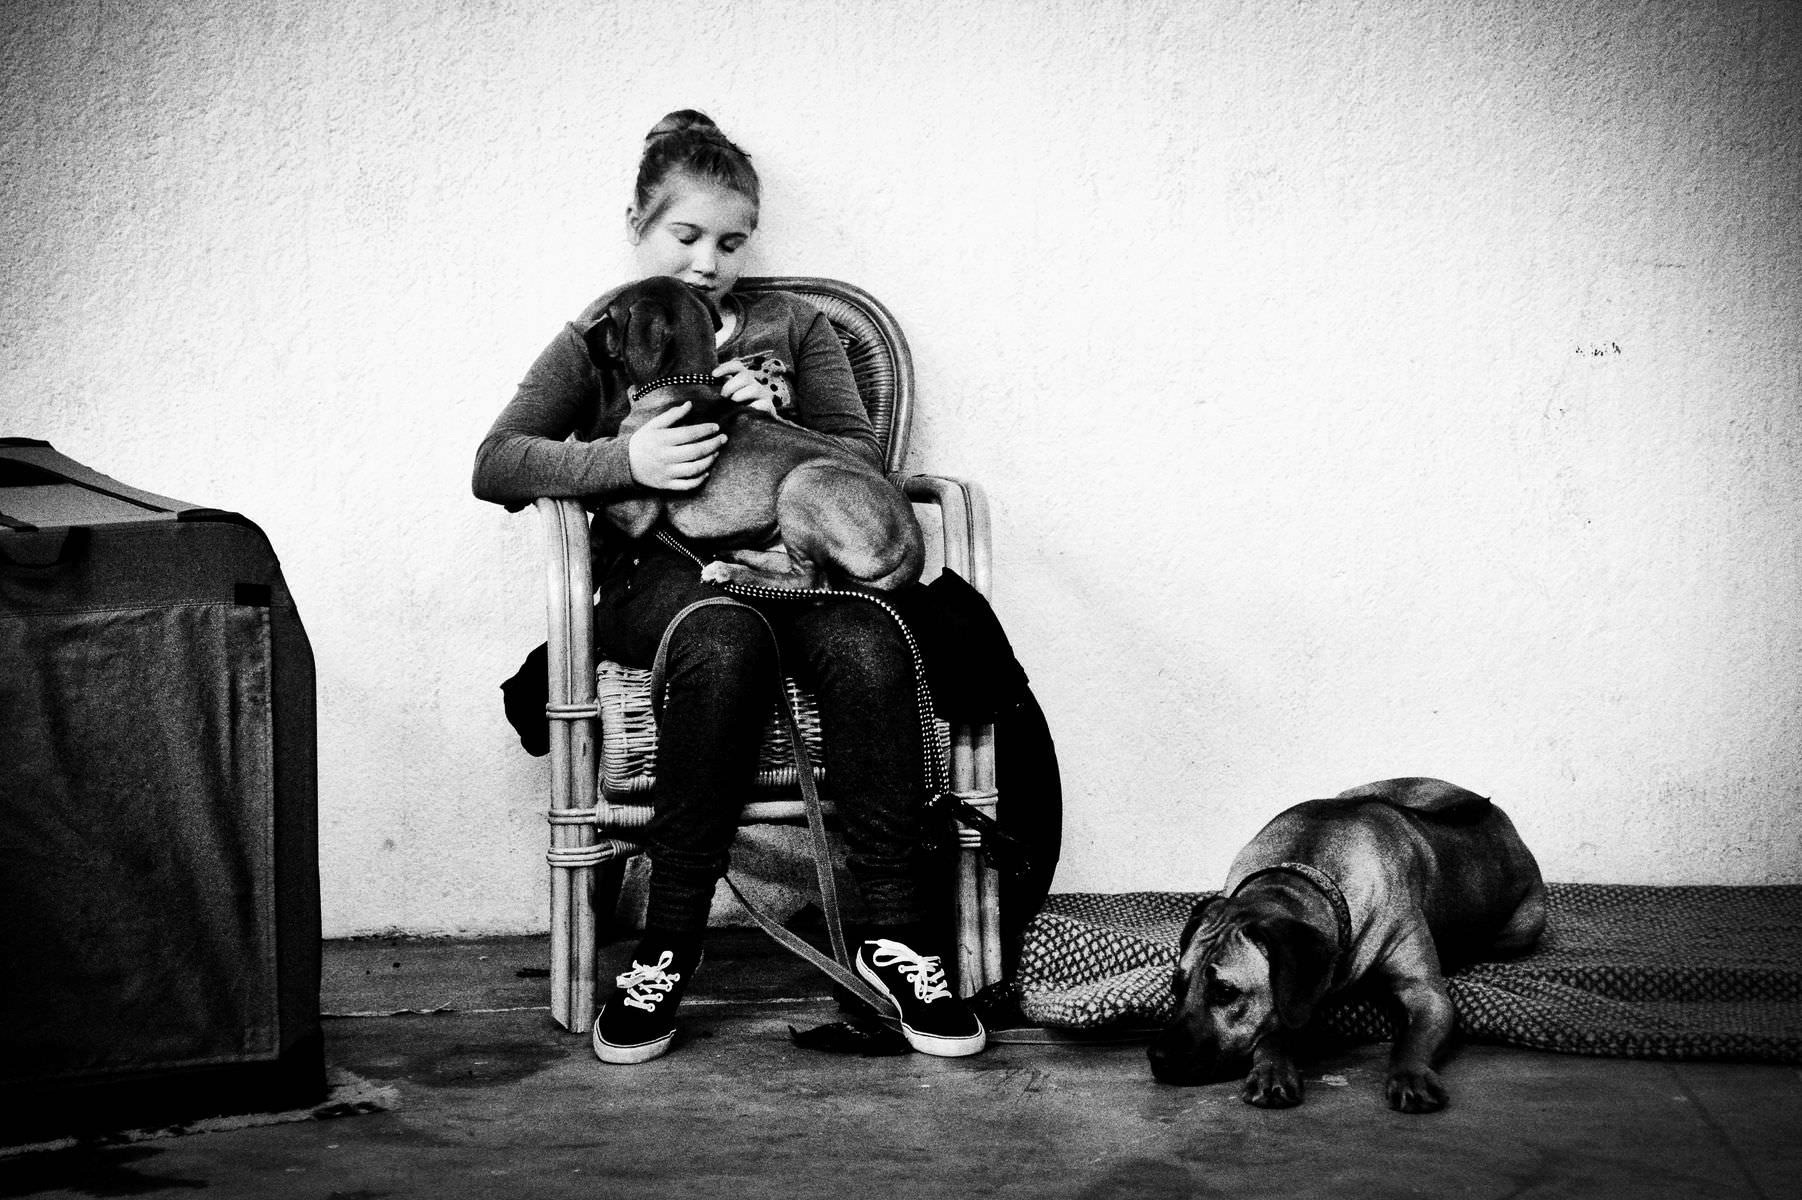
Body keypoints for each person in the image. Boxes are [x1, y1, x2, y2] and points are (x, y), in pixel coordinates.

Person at [473, 110, 986, 1065]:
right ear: (637, 224)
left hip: (797, 564)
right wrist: (626, 462)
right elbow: (497, 462)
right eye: (686, 235)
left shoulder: (797, 325)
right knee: (722, 639)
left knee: (872, 640)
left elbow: (862, 462)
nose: (708, 263)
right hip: (665, 577)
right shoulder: (604, 332)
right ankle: (670, 940)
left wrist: (780, 418)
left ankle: (896, 936)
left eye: (732, 241)